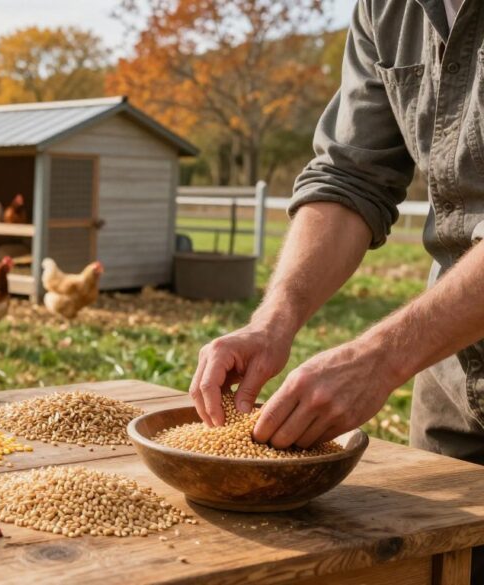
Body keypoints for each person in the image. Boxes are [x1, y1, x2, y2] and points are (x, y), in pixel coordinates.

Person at [189, 0, 484, 464]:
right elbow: (351, 175)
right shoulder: (385, 9)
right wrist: (274, 321)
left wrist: (381, 357)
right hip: (452, 366)